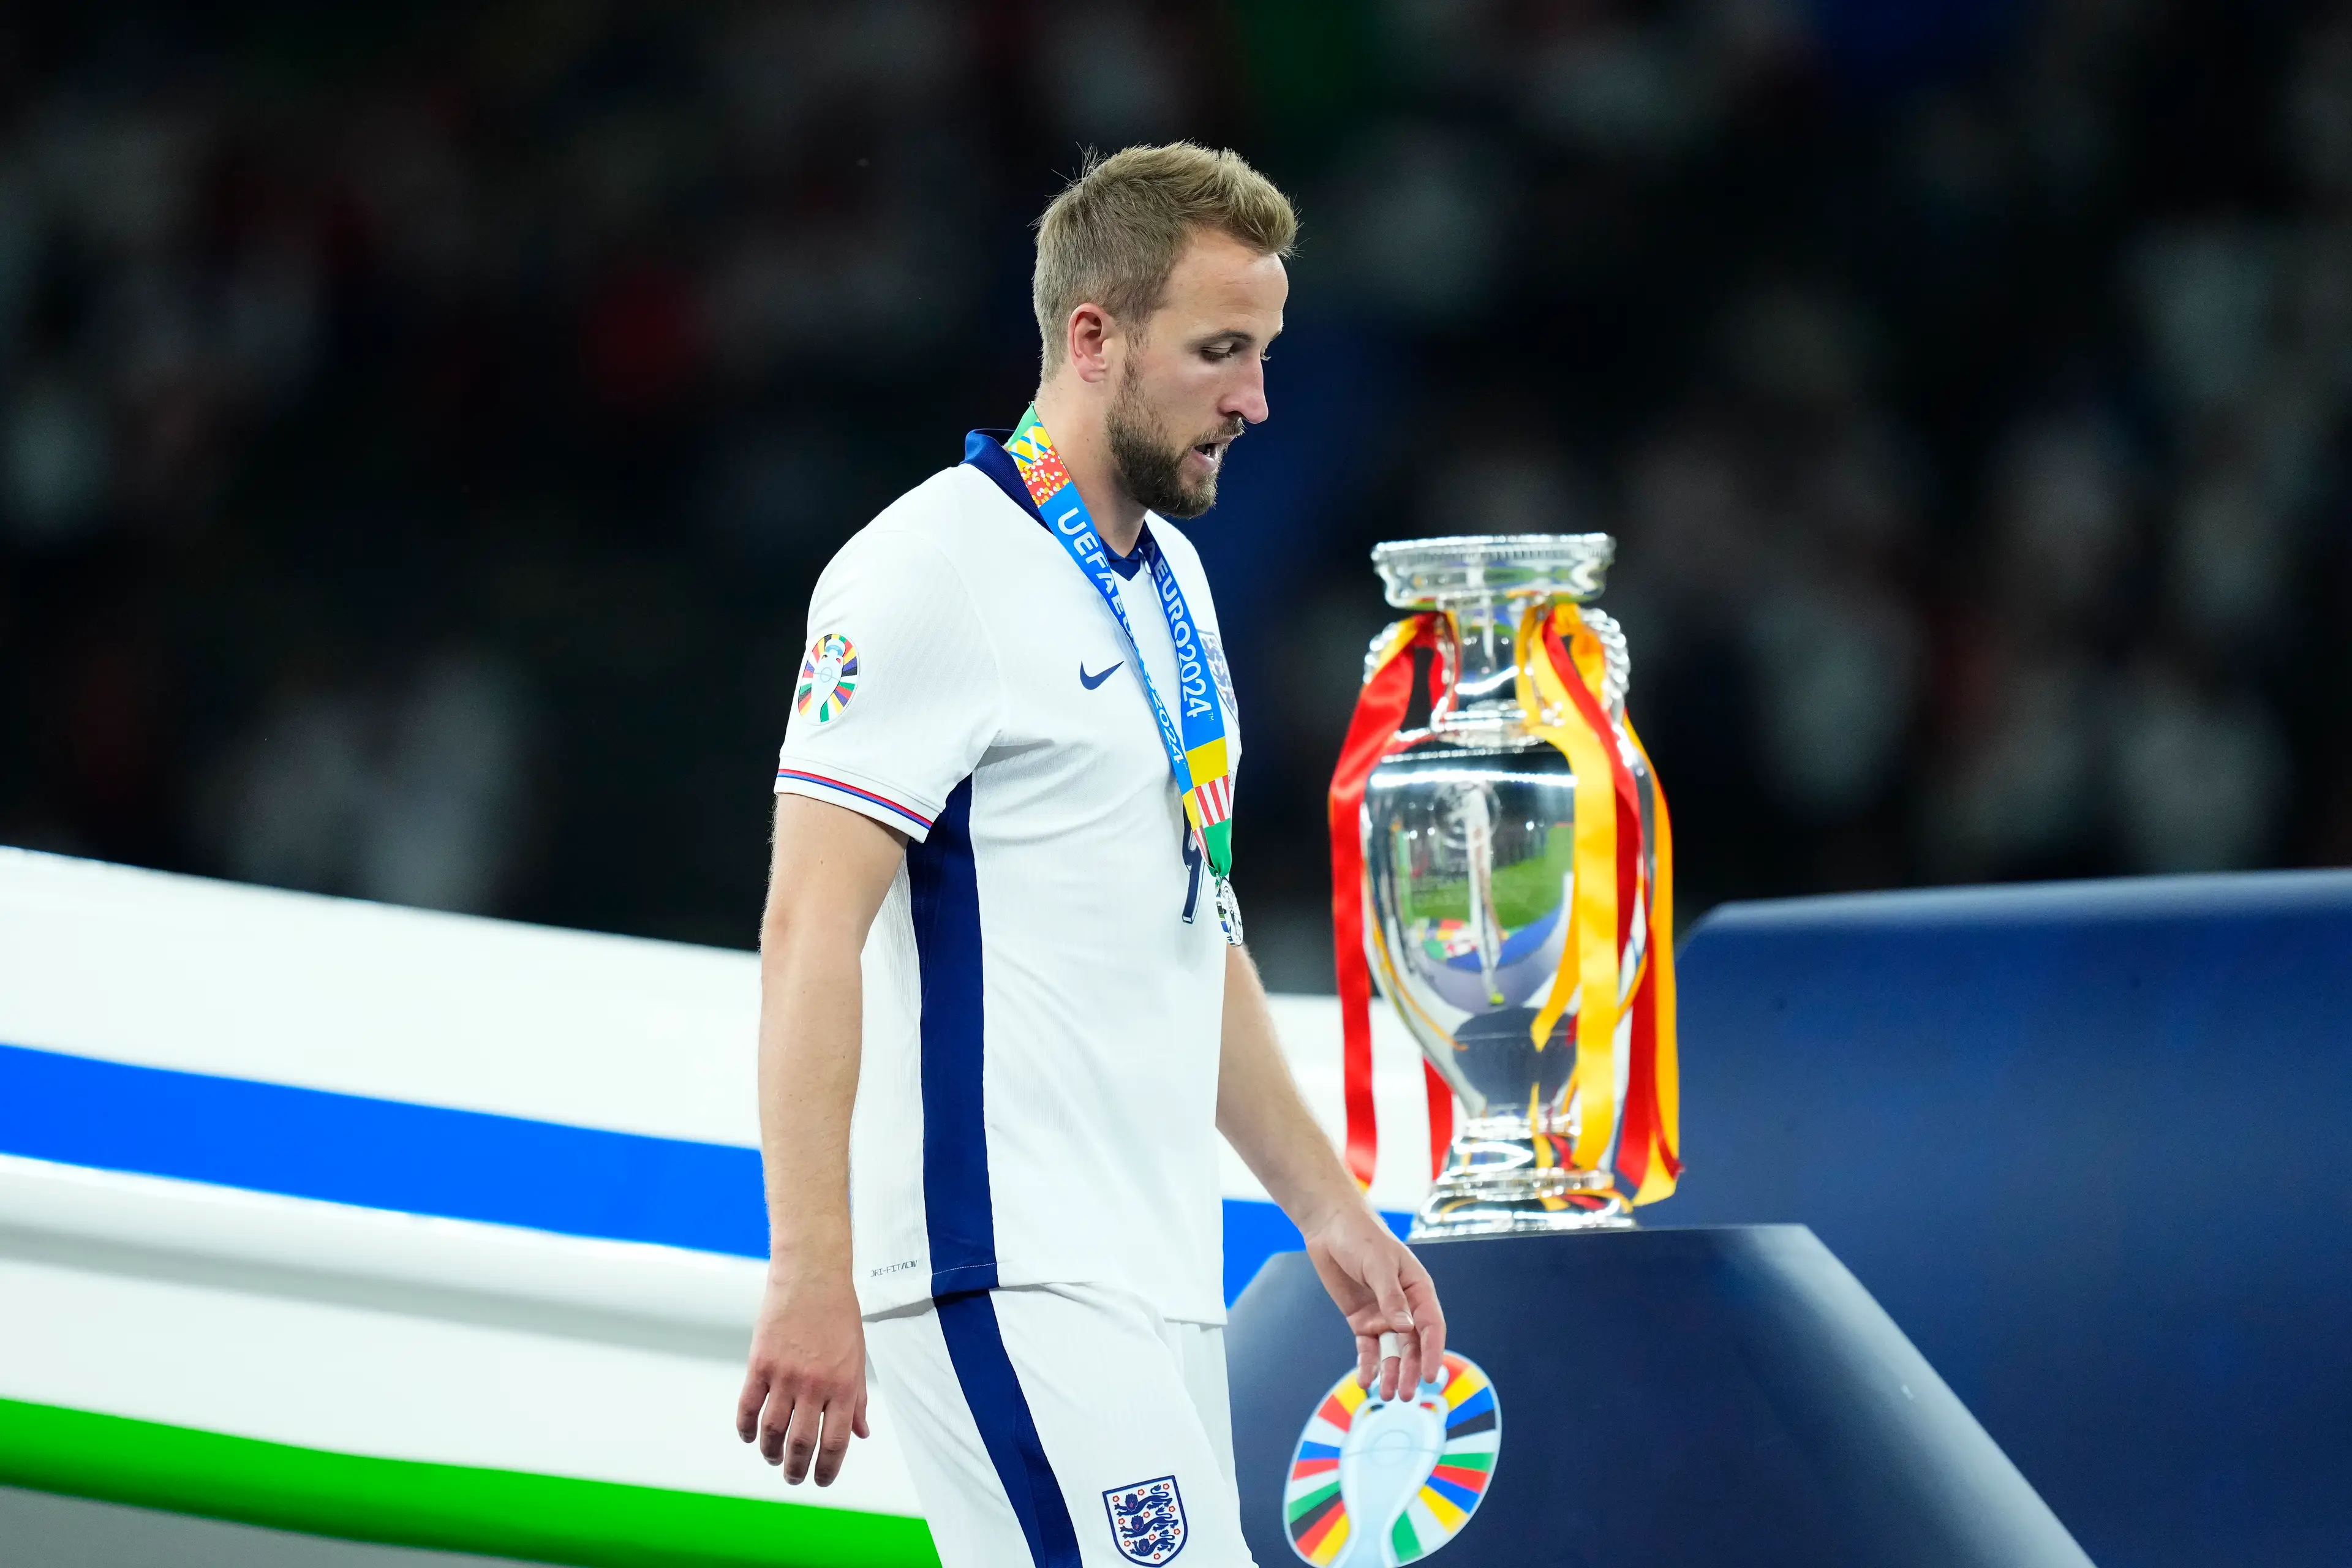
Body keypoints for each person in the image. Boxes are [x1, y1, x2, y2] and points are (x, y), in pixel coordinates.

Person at [735, 142, 1444, 1568]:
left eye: (1267, 351)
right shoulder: (923, 572)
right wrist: (808, 1267)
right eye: (1221, 352)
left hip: (1156, 1271)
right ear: (1094, 336)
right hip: (1001, 1264)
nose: (1255, 400)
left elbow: (1196, 931)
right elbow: (811, 930)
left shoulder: (1176, 586)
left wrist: (1328, 1207)